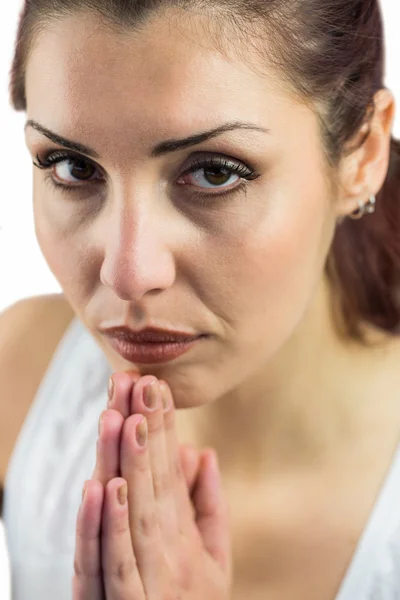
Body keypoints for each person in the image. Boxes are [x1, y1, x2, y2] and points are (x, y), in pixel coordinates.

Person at [1, 0, 400, 598]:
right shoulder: (19, 372)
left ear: (363, 155)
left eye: (215, 173)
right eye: (73, 166)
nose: (128, 274)